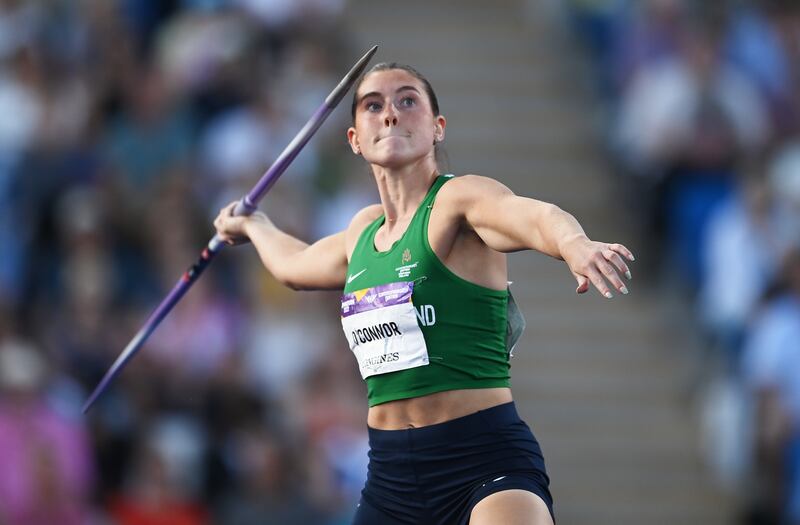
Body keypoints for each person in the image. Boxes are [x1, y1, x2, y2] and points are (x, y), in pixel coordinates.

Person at [213, 62, 635, 525]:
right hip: (391, 480)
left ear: (437, 128)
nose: (391, 113)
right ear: (355, 139)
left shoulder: (458, 201)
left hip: (484, 464)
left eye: (407, 100)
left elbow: (533, 215)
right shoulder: (361, 234)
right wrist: (254, 225)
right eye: (374, 105)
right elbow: (294, 267)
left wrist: (574, 244)